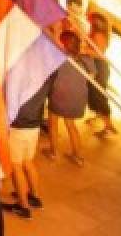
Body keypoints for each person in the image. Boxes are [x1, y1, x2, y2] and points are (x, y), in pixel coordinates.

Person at [44, 30, 95, 166]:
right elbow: (92, 76)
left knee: (53, 123)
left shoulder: (58, 58)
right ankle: (78, 157)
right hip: (77, 99)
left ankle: (54, 152)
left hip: (60, 97)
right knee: (70, 125)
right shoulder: (86, 58)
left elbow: (48, 75)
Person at [6, 82, 49, 218]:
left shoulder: (25, 76)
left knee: (15, 165)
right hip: (34, 124)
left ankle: (23, 206)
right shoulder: (46, 74)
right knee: (28, 162)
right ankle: (34, 197)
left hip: (19, 126)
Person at [86, 12, 117, 137]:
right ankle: (99, 115)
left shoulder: (98, 35)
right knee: (95, 94)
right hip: (98, 66)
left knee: (99, 95)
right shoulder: (98, 33)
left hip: (99, 67)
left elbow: (98, 53)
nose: (89, 21)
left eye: (91, 20)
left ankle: (108, 126)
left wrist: (83, 50)